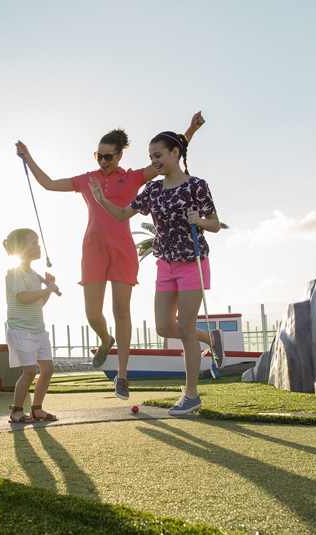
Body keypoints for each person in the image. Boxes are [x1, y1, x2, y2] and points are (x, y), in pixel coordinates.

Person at [15, 112, 206, 401]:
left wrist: (190, 130)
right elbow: (49, 183)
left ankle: (123, 375)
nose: (103, 161)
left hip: (123, 250)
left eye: (108, 157)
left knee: (121, 311)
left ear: (119, 156)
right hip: (92, 250)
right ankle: (106, 340)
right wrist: (27, 156)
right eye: (99, 156)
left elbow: (169, 154)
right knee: (93, 313)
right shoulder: (86, 179)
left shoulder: (133, 178)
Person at [90, 131, 220, 416]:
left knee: (185, 329)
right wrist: (101, 200)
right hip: (165, 266)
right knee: (163, 327)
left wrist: (200, 221)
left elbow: (215, 223)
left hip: (192, 263)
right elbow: (123, 214)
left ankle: (191, 395)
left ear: (175, 153)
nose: (155, 162)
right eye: (151, 158)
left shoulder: (196, 186)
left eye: (158, 156)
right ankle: (210, 338)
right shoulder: (153, 189)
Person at [3, 228, 60, 423]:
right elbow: (24, 298)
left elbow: (38, 303)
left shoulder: (34, 275)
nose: (38, 246)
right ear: (21, 248)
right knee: (29, 372)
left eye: (38, 243)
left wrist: (47, 289)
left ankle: (37, 409)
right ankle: (17, 411)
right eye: (33, 243)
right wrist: (48, 289)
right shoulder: (15, 272)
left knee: (48, 369)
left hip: (38, 330)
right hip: (21, 330)